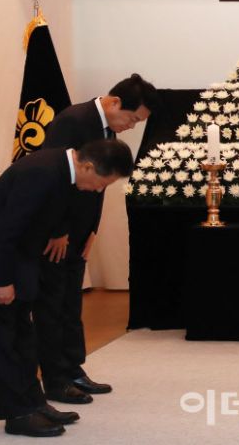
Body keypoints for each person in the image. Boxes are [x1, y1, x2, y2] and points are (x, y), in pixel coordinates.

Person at [0, 139, 134, 437]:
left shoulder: (62, 171)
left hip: (22, 259)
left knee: (24, 337)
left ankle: (34, 403)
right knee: (4, 341)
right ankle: (18, 414)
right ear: (88, 166)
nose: (98, 191)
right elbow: (6, 230)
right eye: (102, 184)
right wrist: (1, 281)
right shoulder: (41, 172)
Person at [35, 73, 157, 405]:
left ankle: (73, 369)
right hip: (56, 235)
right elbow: (53, 178)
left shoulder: (106, 129)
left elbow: (98, 189)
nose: (131, 126)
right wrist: (58, 230)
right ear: (115, 102)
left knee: (70, 304)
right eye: (131, 119)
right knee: (52, 306)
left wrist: (91, 232)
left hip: (78, 234)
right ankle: (55, 379)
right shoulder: (74, 121)